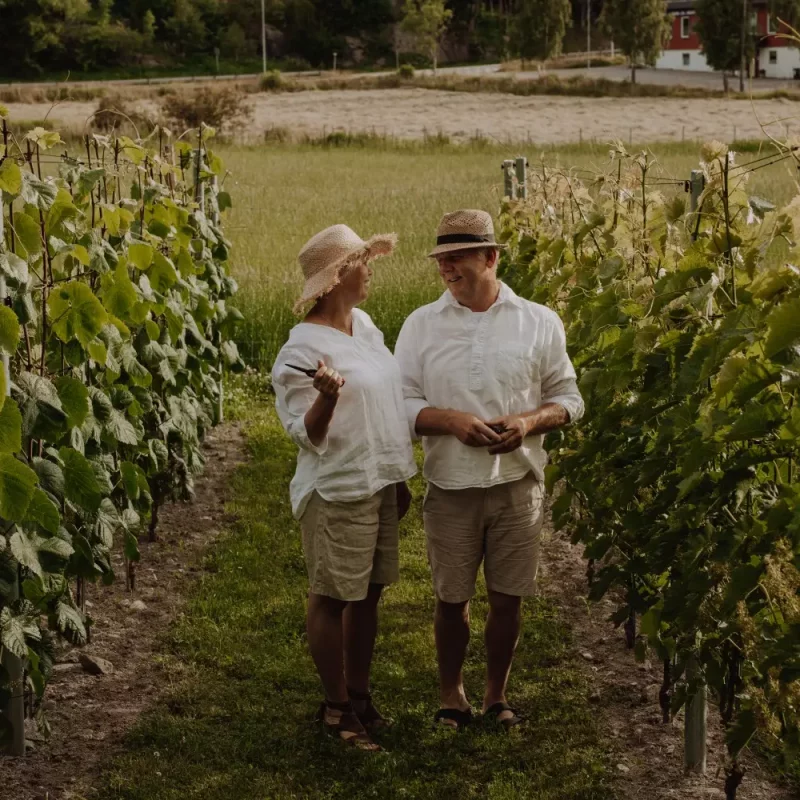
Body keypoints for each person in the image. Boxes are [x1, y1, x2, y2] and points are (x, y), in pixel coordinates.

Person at [394, 209, 583, 731]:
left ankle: (496, 696)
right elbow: (402, 403)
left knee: (507, 600)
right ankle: (451, 695)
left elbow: (568, 398)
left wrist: (528, 422)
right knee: (451, 600)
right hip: (450, 485)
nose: (446, 268)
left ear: (491, 257)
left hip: (517, 485)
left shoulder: (538, 321)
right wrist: (450, 421)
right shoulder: (420, 325)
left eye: (457, 258)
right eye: (440, 259)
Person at [272, 224, 416, 751]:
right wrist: (327, 399)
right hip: (337, 486)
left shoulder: (365, 325)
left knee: (369, 592)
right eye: (360, 261)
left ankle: (359, 693)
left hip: (376, 479)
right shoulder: (302, 349)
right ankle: (335, 708)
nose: (369, 267)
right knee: (333, 595)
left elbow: (386, 404)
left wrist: (397, 477)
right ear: (335, 279)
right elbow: (305, 434)